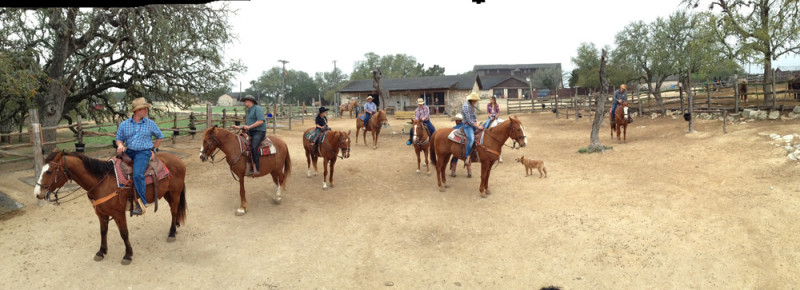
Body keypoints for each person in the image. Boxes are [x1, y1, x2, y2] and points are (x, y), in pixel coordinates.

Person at [115, 97, 164, 216]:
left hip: (143, 152)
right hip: (129, 151)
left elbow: (160, 136)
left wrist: (154, 149)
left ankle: (142, 203)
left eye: (146, 109)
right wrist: (120, 144)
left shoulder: (150, 123)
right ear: (137, 111)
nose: (146, 111)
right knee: (112, 167)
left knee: (137, 174)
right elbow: (118, 138)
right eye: (144, 109)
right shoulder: (124, 124)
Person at [232, 95, 266, 175]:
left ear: (250, 101)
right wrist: (238, 127)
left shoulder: (258, 109)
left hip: (259, 131)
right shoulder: (249, 110)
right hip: (250, 131)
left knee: (254, 146)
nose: (244, 102)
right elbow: (247, 125)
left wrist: (249, 127)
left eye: (245, 101)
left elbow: (261, 121)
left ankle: (256, 168)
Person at [461, 92, 483, 166]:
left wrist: (478, 122)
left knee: (482, 132)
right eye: (476, 100)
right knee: (471, 139)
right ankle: (467, 156)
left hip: (472, 124)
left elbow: (474, 116)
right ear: (472, 100)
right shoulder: (466, 107)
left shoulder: (472, 106)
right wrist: (477, 126)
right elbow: (469, 120)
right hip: (467, 125)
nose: (476, 101)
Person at [449, 113, 472, 178]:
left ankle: (453, 171)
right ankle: (469, 171)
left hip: (457, 147)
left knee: (455, 156)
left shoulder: (453, 129)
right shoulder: (467, 128)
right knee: (467, 156)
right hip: (466, 145)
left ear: (457, 121)